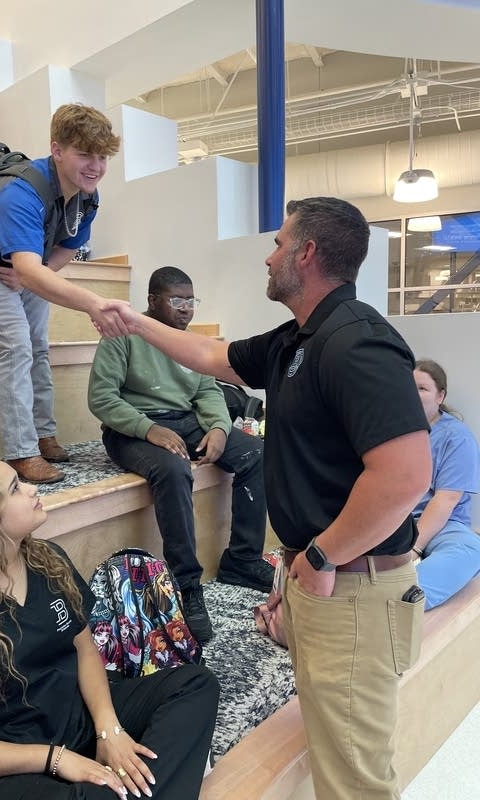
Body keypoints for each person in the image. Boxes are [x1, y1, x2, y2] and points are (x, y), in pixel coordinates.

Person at [100, 197, 432, 800]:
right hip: (325, 577)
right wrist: (130, 319)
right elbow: (209, 356)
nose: (268, 254)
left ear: (306, 254)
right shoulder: (299, 338)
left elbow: (405, 476)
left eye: (279, 243)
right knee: (338, 755)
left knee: (356, 778)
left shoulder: (357, 342)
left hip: (353, 583)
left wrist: (323, 557)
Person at [0, 455, 219, 800]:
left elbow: (84, 650)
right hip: (5, 768)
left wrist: (108, 730)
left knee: (196, 684)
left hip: (74, 724)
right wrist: (56, 760)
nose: (33, 489)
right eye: (15, 488)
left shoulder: (47, 560)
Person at [88, 267, 274, 643]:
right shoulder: (122, 337)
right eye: (177, 301)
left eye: (190, 301)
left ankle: (243, 559)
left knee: (258, 452)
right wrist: (149, 429)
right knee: (174, 471)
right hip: (132, 428)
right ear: (153, 301)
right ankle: (187, 585)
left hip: (185, 422)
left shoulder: (190, 343)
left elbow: (208, 393)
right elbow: (102, 398)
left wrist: (220, 429)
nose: (186, 309)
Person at [0, 103, 127, 484]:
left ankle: (44, 433)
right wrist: (92, 302)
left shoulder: (86, 195)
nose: (95, 166)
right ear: (58, 150)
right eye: (84, 154)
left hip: (26, 264)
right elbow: (28, 271)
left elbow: (65, 249)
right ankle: (21, 451)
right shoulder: (21, 192)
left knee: (39, 345)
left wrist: (35, 274)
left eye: (101, 157)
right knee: (17, 345)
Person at [412, 359, 480, 609]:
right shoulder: (392, 431)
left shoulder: (457, 437)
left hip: (444, 526)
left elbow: (446, 499)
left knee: (469, 550)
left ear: (440, 396)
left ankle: (403, 600)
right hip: (396, 521)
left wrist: (415, 548)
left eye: (422, 388)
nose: (413, 394)